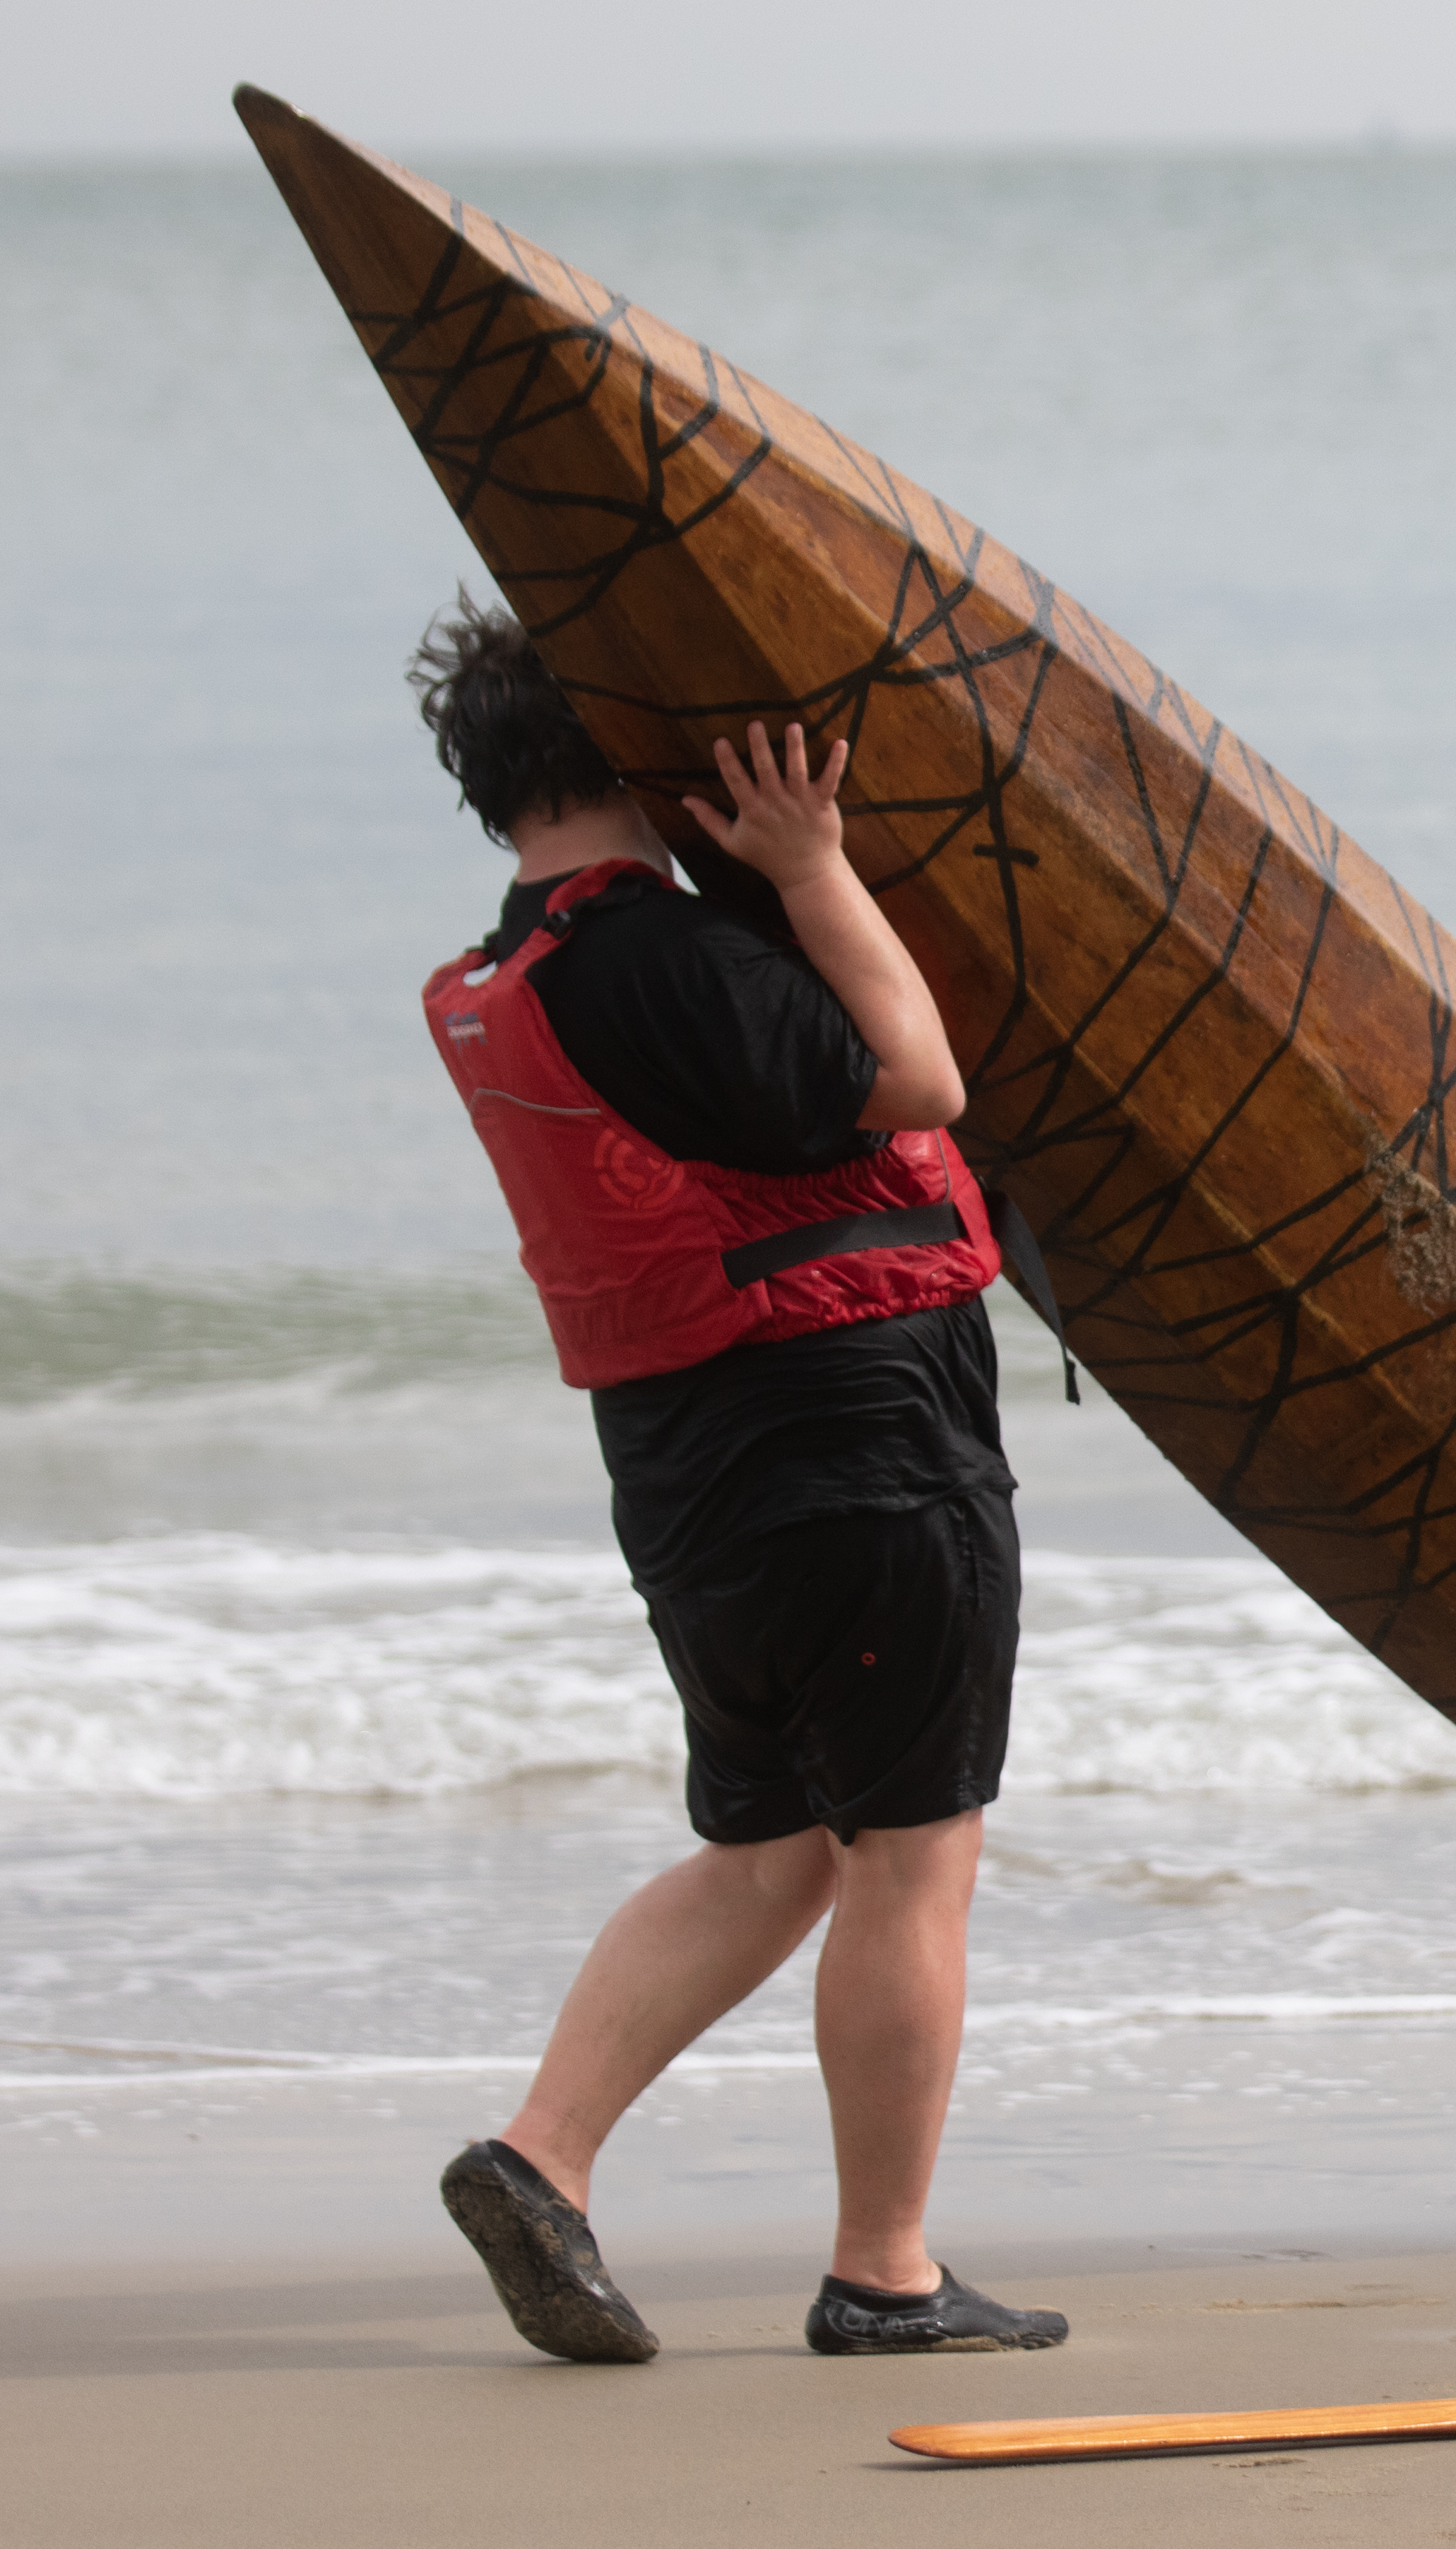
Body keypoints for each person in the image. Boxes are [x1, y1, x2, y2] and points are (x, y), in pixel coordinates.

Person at [407, 593, 1064, 2362]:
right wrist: (818, 864)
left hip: (688, 1480)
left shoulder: (511, 981)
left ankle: (538, 2158)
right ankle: (887, 2272)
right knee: (913, 1859)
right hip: (857, 1452)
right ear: (632, 739)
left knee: (774, 1849)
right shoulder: (672, 967)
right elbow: (918, 1073)